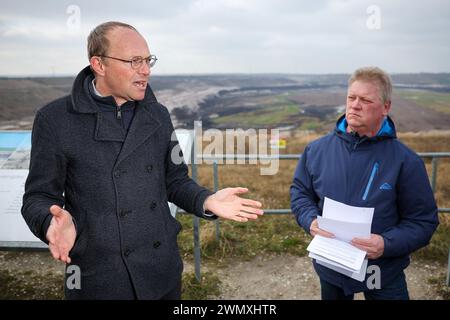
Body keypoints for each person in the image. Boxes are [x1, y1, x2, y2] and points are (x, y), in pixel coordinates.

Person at [21, 21, 263, 300]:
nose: (146, 70)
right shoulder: (56, 119)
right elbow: (38, 196)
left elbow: (175, 181)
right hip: (98, 277)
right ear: (99, 65)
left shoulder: (157, 115)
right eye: (134, 61)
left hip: (162, 271)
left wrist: (206, 201)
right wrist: (50, 224)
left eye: (148, 60)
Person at [290, 66, 439, 300]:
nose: (355, 105)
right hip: (331, 266)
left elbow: (423, 221)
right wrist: (310, 220)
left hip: (381, 271)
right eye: (351, 97)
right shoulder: (316, 150)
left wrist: (385, 244)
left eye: (365, 100)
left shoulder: (406, 161)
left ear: (386, 107)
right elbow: (300, 193)